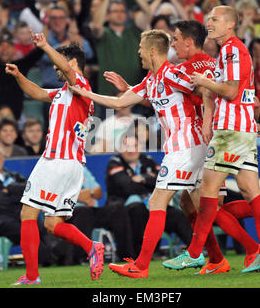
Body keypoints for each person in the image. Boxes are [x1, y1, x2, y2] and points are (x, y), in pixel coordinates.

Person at [70, 29, 208, 278]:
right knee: (205, 206)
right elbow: (119, 103)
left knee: (156, 202)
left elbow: (205, 91)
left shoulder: (173, 74)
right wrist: (86, 93)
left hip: (186, 146)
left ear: (152, 51)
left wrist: (215, 120)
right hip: (186, 147)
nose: (138, 53)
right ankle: (228, 251)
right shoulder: (151, 80)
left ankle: (141, 266)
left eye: (140, 49)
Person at [172, 5, 260, 273]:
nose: (209, 23)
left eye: (215, 19)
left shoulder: (231, 49)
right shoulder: (230, 51)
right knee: (250, 190)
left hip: (231, 129)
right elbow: (241, 92)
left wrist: (204, 82)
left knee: (207, 192)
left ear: (230, 24)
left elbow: (231, 91)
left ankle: (196, 253)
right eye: (208, 19)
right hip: (242, 129)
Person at [5, 31, 104, 285]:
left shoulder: (80, 84)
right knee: (52, 223)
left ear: (71, 63)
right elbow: (37, 93)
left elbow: (69, 73)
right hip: (71, 164)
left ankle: (31, 276)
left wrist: (46, 45)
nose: (54, 67)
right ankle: (92, 246)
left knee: (28, 213)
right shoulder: (63, 93)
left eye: (59, 62)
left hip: (57, 160)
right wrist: (18, 76)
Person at [0, 145, 64, 267]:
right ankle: (50, 258)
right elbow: (0, 201)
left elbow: (32, 191)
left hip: (18, 217)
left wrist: (10, 189)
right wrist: (18, 196)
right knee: (25, 228)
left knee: (40, 225)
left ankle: (59, 253)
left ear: (3, 159)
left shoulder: (15, 176)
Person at [67, 164, 136, 265]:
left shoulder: (81, 168)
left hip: (91, 209)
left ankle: (126, 256)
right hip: (69, 212)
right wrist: (77, 196)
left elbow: (98, 192)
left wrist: (89, 193)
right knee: (83, 211)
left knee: (117, 209)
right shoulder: (55, 170)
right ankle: (79, 259)